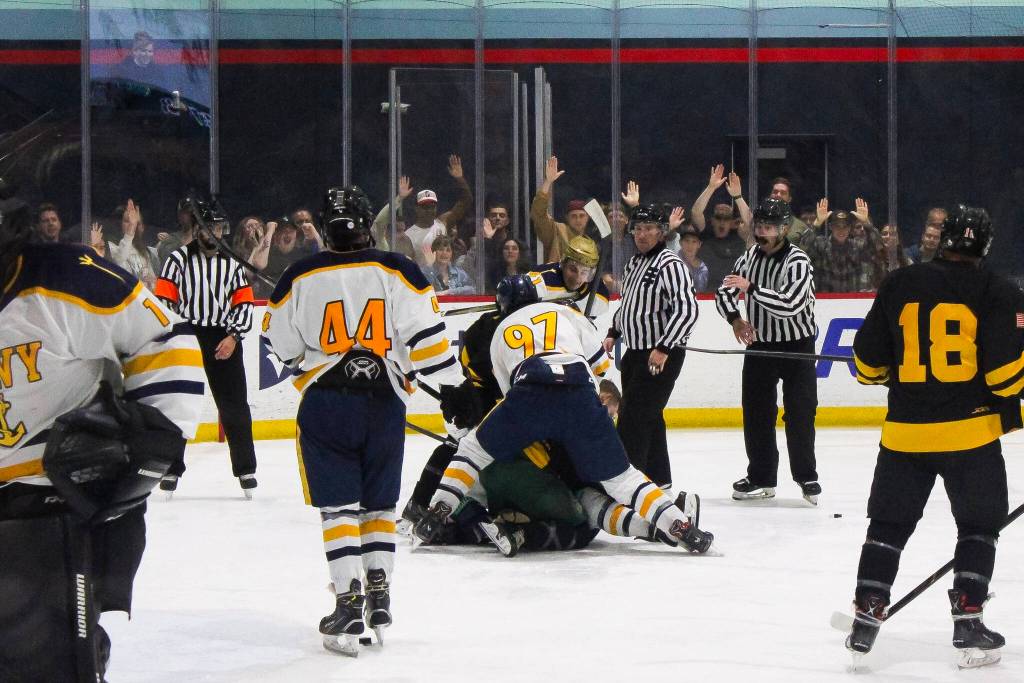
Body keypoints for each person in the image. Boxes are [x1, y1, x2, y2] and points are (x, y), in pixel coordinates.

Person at [0, 197, 204, 681]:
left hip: (50, 502)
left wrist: (156, 438)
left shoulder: (62, 276)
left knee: (44, 664)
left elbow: (162, 336)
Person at [262, 186, 467, 655]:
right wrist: (456, 388)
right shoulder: (399, 269)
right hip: (384, 403)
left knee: (338, 509)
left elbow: (284, 349)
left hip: (327, 404)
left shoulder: (298, 274)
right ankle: (379, 592)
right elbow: (430, 345)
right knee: (379, 506)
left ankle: (348, 601)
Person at [414, 274, 713, 555]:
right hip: (580, 394)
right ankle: (681, 526)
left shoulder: (499, 333)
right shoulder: (567, 313)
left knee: (471, 450)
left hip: (530, 392)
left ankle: (437, 511)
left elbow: (510, 393)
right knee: (623, 479)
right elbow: (600, 368)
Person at [844, 205, 1022, 668]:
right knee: (979, 527)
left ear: (944, 239)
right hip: (971, 437)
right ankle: (968, 619)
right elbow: (1006, 379)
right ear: (985, 245)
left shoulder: (899, 283)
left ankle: (866, 612)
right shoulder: (998, 290)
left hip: (905, 437)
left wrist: (893, 374)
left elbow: (866, 366)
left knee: (888, 526)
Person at [715, 197, 820, 504]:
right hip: (760, 346)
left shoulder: (798, 261)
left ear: (784, 229)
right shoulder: (748, 257)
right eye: (759, 226)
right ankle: (761, 477)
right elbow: (724, 292)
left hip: (797, 347)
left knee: (800, 413)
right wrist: (735, 319)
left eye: (768, 227)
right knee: (757, 413)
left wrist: (751, 289)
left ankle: (806, 476)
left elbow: (790, 305)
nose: (761, 232)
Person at [155, 197, 258, 497]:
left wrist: (234, 336)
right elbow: (163, 302)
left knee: (234, 405)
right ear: (198, 228)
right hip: (188, 337)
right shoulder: (177, 260)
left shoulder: (232, 263)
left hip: (223, 337)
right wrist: (178, 337)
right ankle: (171, 468)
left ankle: (246, 469)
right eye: (209, 227)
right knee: (178, 405)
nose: (214, 233)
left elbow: (244, 303)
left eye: (219, 228)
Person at [603, 205, 698, 489]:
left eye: (648, 229)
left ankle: (628, 486)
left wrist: (664, 347)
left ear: (662, 232)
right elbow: (630, 304)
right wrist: (614, 331)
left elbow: (687, 310)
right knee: (649, 416)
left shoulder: (671, 265)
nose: (641, 234)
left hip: (660, 355)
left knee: (632, 417)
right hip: (635, 353)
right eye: (638, 229)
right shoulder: (634, 263)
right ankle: (659, 479)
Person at [531, 156, 603, 263]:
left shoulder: (592, 242)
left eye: (582, 216)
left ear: (588, 217)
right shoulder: (557, 231)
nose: (578, 220)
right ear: (567, 218)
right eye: (573, 216)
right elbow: (539, 214)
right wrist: (548, 182)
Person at [528, 234, 609, 317]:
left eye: (584, 272)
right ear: (563, 264)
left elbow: (600, 307)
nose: (577, 279)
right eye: (573, 269)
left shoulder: (595, 287)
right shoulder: (542, 279)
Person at [107, 198, 160, 291]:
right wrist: (131, 229)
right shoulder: (112, 248)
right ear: (121, 224)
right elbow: (120, 260)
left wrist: (153, 282)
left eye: (137, 223)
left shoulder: (148, 253)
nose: (133, 224)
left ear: (142, 227)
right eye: (127, 221)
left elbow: (155, 284)